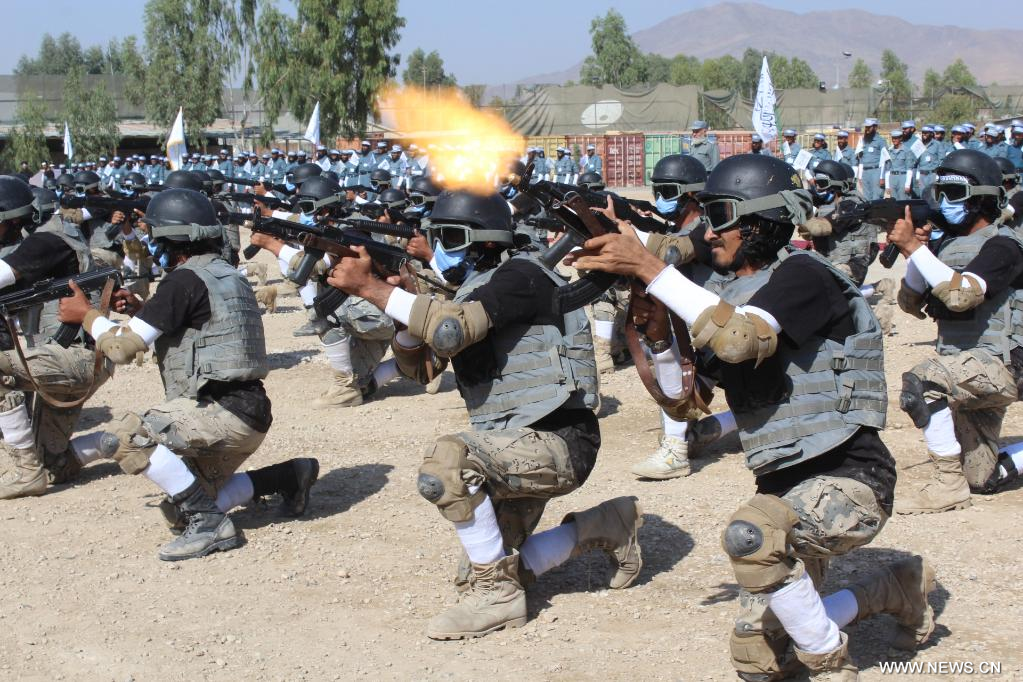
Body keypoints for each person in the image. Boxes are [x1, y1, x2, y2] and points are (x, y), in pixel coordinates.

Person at [570, 153, 936, 680]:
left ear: (762, 221)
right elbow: (682, 400)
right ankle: (892, 589)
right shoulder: (728, 300)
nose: (708, 233)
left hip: (852, 480)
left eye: (719, 216)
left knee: (752, 535)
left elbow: (741, 339)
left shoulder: (804, 276)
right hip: (781, 492)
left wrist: (650, 267)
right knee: (757, 658)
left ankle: (831, 665)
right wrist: (658, 334)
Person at [326, 189, 642, 640]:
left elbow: (450, 330)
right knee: (475, 571)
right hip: (509, 443)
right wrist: (398, 309)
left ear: (487, 241)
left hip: (558, 440)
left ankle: (499, 599)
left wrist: (370, 289)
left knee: (448, 463)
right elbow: (422, 369)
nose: (440, 248)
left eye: (451, 237)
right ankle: (607, 524)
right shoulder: (470, 292)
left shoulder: (520, 275)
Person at [57, 188, 318, 560]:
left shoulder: (183, 280)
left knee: (126, 436)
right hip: (248, 412)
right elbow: (200, 325)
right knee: (179, 513)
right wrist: (143, 310)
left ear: (171, 238)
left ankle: (210, 525)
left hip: (220, 414)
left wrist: (86, 315)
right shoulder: (224, 274)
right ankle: (289, 476)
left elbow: (120, 349)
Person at [892, 149, 1023, 513]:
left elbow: (962, 296)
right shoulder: (944, 247)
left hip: (1004, 366)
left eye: (954, 193)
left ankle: (946, 485)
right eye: (941, 193)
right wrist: (917, 253)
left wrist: (915, 247)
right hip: (967, 372)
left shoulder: (1004, 245)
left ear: (982, 198)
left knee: (924, 379)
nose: (944, 202)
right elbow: (909, 303)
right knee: (981, 478)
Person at [0, 176, 110, 498]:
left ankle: (27, 473)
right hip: (70, 360)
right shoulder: (55, 236)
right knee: (55, 465)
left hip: (73, 360)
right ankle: (115, 439)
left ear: (12, 219)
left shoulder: (47, 242)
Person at [625, 154, 717, 480]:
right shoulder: (674, 228)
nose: (661, 199)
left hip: (722, 330)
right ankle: (684, 441)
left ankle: (678, 449)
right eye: (657, 191)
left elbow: (672, 251)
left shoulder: (709, 228)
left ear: (692, 194)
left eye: (668, 191)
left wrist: (624, 231)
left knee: (756, 400)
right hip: (702, 338)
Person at [856, 118, 887, 201]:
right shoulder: (863, 141)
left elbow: (885, 160)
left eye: (869, 127)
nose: (867, 129)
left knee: (876, 197)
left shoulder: (881, 141)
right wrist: (860, 175)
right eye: (866, 127)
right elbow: (861, 158)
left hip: (876, 171)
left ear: (875, 127)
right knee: (866, 198)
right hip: (865, 172)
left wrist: (882, 177)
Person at [914, 125, 942, 199]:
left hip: (932, 174)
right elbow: (916, 162)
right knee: (922, 196)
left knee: (933, 196)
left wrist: (938, 175)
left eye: (926, 133)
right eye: (923, 133)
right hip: (922, 175)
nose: (924, 134)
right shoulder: (919, 144)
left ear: (931, 134)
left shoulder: (937, 144)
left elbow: (941, 160)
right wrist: (917, 176)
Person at [885, 129, 914, 201]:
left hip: (902, 178)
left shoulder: (907, 151)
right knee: (893, 201)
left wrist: (907, 185)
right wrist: (887, 185)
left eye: (896, 138)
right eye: (893, 138)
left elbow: (909, 169)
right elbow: (888, 169)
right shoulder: (889, 151)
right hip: (892, 178)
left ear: (901, 138)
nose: (894, 140)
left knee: (903, 201)